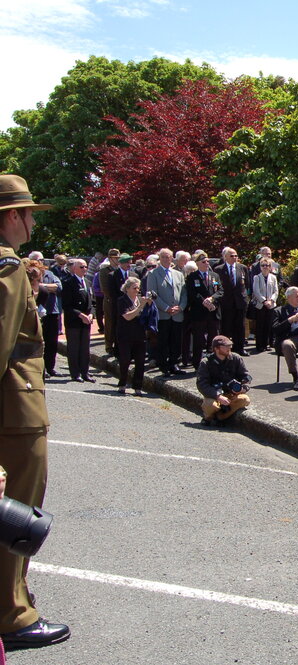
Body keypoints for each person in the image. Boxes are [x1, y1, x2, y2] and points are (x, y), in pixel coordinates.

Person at [0, 174, 71, 649]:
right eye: (28, 213)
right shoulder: (6, 267)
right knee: (15, 517)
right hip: (14, 414)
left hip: (13, 410)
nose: (32, 223)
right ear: (11, 216)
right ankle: (12, 615)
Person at [196, 335, 251, 426]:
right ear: (216, 348)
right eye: (226, 346)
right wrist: (218, 396)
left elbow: (246, 377)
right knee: (210, 405)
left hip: (231, 394)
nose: (229, 348)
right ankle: (208, 418)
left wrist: (243, 388)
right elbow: (202, 384)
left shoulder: (236, 358)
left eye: (230, 345)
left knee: (245, 400)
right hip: (214, 395)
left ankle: (220, 417)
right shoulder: (206, 362)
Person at [149, 248, 187, 375]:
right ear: (159, 259)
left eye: (168, 257)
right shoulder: (153, 274)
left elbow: (184, 293)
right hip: (163, 314)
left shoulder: (178, 274)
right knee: (163, 341)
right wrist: (166, 308)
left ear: (172, 258)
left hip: (177, 314)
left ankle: (174, 363)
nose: (166, 259)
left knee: (176, 340)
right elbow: (152, 294)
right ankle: (163, 365)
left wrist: (180, 307)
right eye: (163, 257)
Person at [186, 252, 223, 369]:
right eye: (204, 262)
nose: (207, 263)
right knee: (199, 340)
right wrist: (204, 302)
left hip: (213, 312)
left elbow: (220, 291)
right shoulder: (192, 277)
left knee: (214, 339)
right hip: (199, 313)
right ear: (197, 263)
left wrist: (212, 299)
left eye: (207, 261)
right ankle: (197, 363)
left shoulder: (214, 276)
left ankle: (214, 362)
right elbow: (192, 293)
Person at [62, 258, 96, 383]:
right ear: (74, 268)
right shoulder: (68, 283)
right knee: (74, 348)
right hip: (74, 321)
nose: (84, 269)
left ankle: (85, 372)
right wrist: (81, 315)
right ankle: (75, 373)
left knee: (85, 348)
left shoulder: (87, 282)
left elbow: (92, 302)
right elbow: (67, 305)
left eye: (85, 266)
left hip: (86, 321)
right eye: (81, 267)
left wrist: (91, 315)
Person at [117, 276, 151, 395]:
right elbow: (127, 316)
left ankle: (138, 386)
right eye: (134, 288)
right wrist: (141, 306)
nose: (137, 290)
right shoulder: (122, 300)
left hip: (140, 335)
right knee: (125, 360)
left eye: (138, 288)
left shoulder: (140, 300)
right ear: (127, 288)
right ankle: (122, 383)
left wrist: (149, 304)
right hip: (125, 335)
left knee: (140, 362)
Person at [216, 247, 250, 355]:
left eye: (236, 255)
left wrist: (245, 297)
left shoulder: (243, 268)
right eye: (232, 256)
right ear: (225, 257)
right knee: (226, 327)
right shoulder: (218, 269)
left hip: (240, 302)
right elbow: (217, 286)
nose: (234, 257)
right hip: (226, 303)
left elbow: (247, 284)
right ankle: (225, 349)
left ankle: (240, 348)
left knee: (240, 326)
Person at [37, 259, 63, 378]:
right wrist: (49, 288)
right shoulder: (30, 274)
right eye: (38, 260)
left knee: (52, 342)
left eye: (42, 260)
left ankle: (50, 367)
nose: (40, 262)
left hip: (52, 312)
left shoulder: (50, 274)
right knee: (39, 343)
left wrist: (42, 287)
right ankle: (41, 369)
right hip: (38, 312)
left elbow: (58, 287)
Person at [251, 258, 278, 353]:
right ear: (260, 267)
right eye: (263, 265)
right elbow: (256, 291)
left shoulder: (273, 277)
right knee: (260, 325)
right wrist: (264, 301)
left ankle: (266, 344)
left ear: (270, 267)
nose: (265, 267)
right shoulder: (257, 277)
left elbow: (276, 291)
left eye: (267, 265)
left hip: (271, 305)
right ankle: (259, 345)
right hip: (261, 305)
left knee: (268, 325)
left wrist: (271, 300)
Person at [98, 248, 122, 354]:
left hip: (120, 301)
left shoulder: (120, 270)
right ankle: (108, 346)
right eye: (114, 258)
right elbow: (105, 288)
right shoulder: (104, 271)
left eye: (118, 258)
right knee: (110, 323)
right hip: (110, 301)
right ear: (110, 258)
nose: (117, 260)